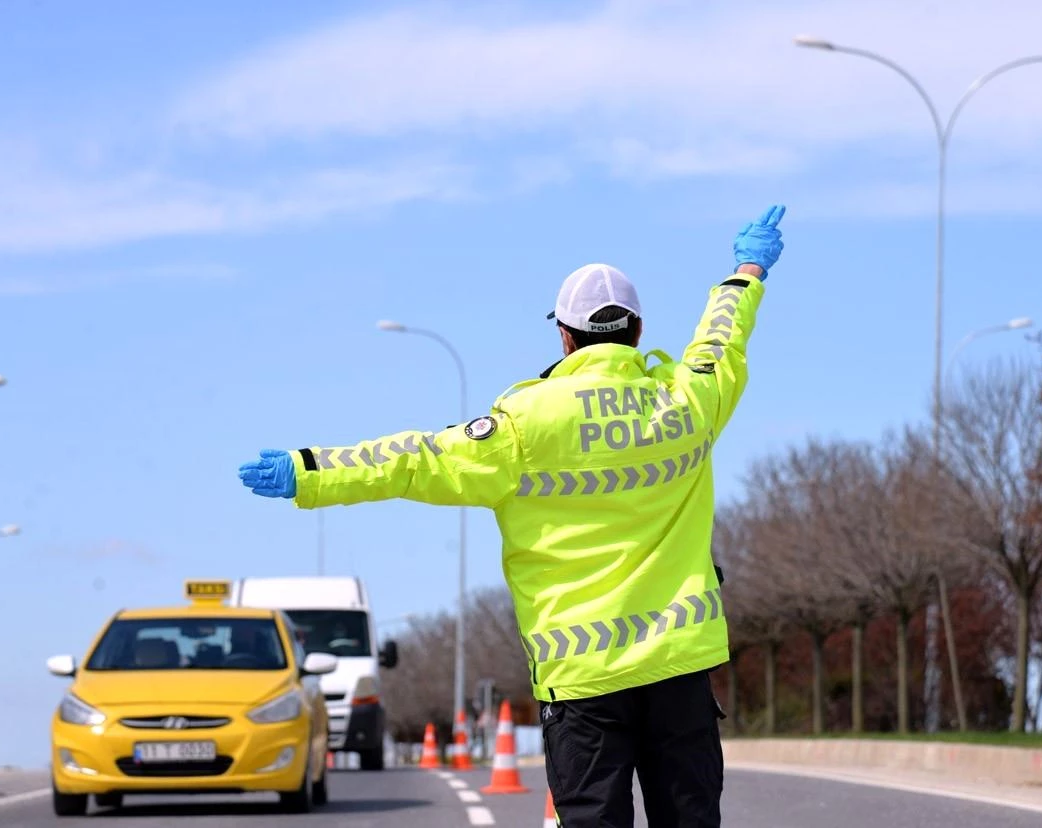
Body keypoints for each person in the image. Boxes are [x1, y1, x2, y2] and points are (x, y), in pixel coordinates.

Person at [238, 204, 787, 826]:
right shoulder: (688, 402)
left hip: (582, 679)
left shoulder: (524, 425)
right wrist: (746, 269)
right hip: (680, 669)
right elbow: (720, 339)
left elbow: (412, 459)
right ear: (637, 332)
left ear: (565, 336)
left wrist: (310, 470)